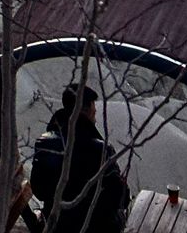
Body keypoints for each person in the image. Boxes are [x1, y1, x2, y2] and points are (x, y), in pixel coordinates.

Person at [31, 85, 128, 233]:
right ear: (84, 112)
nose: (95, 120)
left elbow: (38, 190)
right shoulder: (100, 151)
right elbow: (121, 198)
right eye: (93, 114)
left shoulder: (44, 143)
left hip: (57, 226)